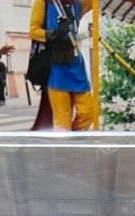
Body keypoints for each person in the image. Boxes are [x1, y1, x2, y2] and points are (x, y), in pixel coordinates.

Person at [29, 0, 91, 131]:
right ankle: (66, 142)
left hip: (75, 62)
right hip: (56, 65)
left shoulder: (77, 4)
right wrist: (54, 33)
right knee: (62, 118)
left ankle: (75, 138)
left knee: (88, 111)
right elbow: (33, 31)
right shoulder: (43, 3)